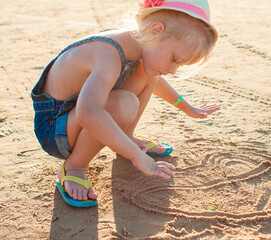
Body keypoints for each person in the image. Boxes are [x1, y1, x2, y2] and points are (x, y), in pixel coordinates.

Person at [31, 0, 220, 207]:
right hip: (55, 129)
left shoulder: (137, 43)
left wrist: (188, 108)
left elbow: (156, 82)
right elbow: (88, 112)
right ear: (155, 30)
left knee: (151, 73)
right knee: (124, 103)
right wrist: (137, 156)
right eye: (174, 59)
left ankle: (126, 138)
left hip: (74, 119)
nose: (173, 70)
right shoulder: (107, 54)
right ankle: (75, 166)